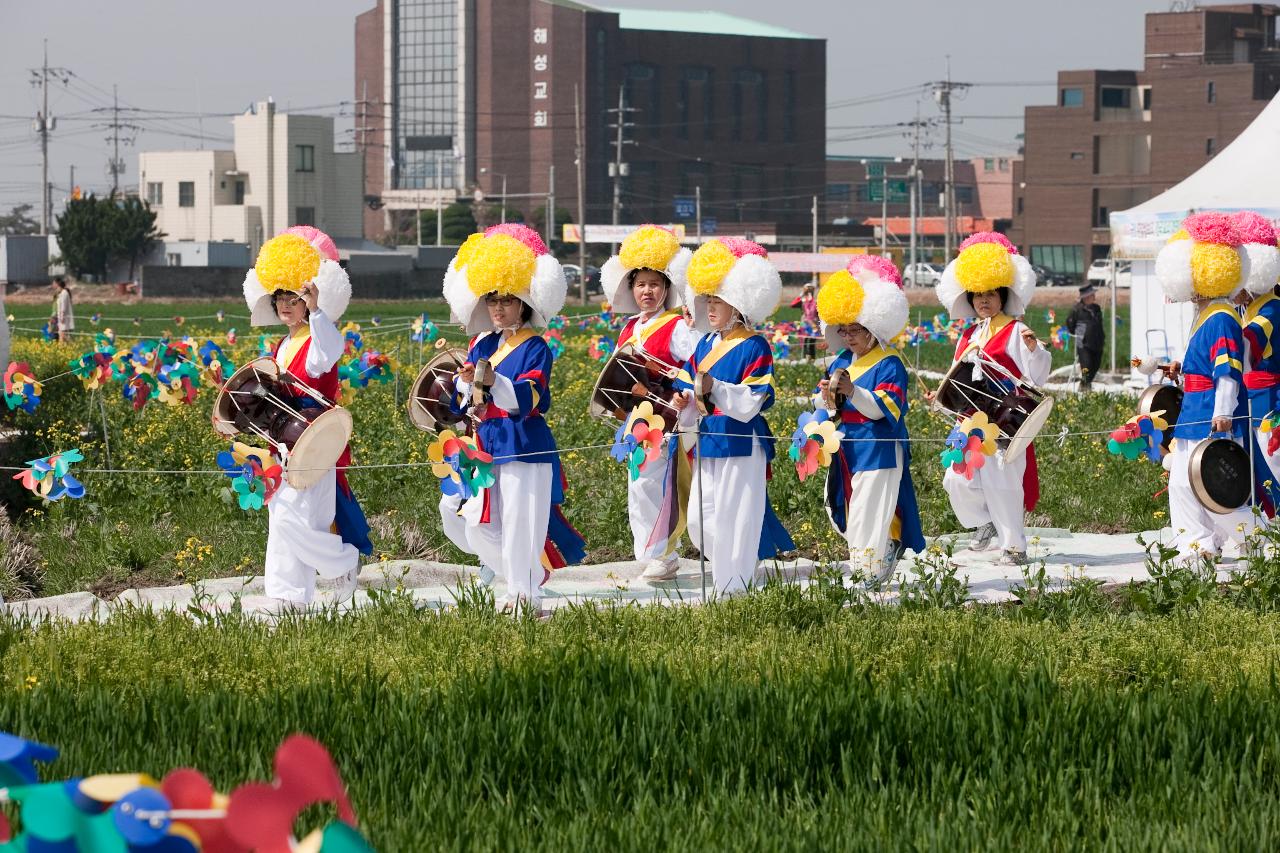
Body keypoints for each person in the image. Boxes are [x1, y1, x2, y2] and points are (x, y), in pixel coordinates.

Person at [439, 223, 585, 614]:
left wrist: (488, 380)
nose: (499, 308)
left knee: (523, 525)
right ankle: (527, 581)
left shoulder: (538, 347)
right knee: (476, 521)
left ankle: (524, 595)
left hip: (525, 443)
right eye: (492, 300)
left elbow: (530, 397)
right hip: (486, 442)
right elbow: (465, 400)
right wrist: (463, 386)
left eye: (507, 299)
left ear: (524, 302)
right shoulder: (480, 342)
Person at [241, 226, 373, 605]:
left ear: (310, 299)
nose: (286, 304)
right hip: (281, 438)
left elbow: (327, 354)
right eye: (280, 296)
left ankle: (342, 562)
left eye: (295, 296)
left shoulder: (321, 334)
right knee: (281, 516)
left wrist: (317, 311)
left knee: (297, 517)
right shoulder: (281, 343)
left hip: (315, 437)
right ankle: (288, 598)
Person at [671, 236, 794, 596]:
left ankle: (735, 589)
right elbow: (688, 383)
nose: (710, 307)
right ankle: (733, 577)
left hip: (741, 442)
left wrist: (714, 388)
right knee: (701, 520)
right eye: (708, 299)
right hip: (710, 440)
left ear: (738, 303)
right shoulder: (705, 343)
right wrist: (684, 399)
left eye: (718, 301)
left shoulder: (756, 345)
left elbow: (752, 401)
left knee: (737, 518)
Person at [1155, 212, 1273, 559]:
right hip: (1194, 408)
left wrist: (1223, 411)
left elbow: (1228, 370)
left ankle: (1261, 543)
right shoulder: (1209, 314)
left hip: (1210, 412)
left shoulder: (1221, 316)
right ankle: (1197, 546)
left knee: (1216, 485)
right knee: (1181, 481)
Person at [933, 232, 1050, 566]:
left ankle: (1014, 547)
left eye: (990, 294)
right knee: (955, 477)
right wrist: (941, 395)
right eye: (978, 295)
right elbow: (957, 375)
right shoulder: (969, 334)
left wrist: (1033, 349)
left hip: (1006, 421)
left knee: (1003, 483)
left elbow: (1037, 375)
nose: (983, 300)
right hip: (968, 421)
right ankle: (982, 523)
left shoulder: (1015, 330)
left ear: (1002, 296)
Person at [812, 255, 924, 582]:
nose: (848, 337)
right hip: (848, 449)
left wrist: (853, 391)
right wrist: (825, 394)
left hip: (880, 447)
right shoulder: (842, 360)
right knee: (849, 511)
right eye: (843, 330)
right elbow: (828, 403)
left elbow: (885, 408)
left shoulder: (890, 363)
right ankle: (871, 566)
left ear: (873, 326)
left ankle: (870, 574)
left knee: (868, 513)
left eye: (855, 330)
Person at [599, 224, 698, 581]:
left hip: (666, 417)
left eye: (654, 285)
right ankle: (650, 552)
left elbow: (696, 363)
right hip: (635, 419)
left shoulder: (675, 326)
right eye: (640, 284)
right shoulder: (628, 328)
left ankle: (665, 553)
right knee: (638, 484)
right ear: (631, 289)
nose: (647, 291)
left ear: (666, 289)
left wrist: (681, 392)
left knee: (657, 484)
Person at [1233, 210, 1280, 488]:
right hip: (1250, 397)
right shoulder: (1246, 308)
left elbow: (1246, 342)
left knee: (1271, 464)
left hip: (1268, 400)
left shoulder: (1273, 307)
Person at [1066, 283, 1104, 390]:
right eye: (1092, 295)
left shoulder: (1097, 308)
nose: (1094, 297)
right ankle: (1085, 385)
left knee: (1096, 365)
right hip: (1083, 343)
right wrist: (1080, 334)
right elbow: (1070, 324)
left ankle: (1086, 384)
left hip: (1098, 342)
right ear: (1086, 297)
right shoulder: (1077, 309)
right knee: (1086, 365)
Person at [790, 282, 820, 360]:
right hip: (805, 324)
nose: (809, 292)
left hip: (813, 324)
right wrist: (801, 294)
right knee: (804, 342)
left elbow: (819, 314)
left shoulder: (816, 302)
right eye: (808, 290)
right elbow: (792, 304)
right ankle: (804, 359)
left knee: (811, 343)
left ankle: (812, 359)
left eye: (811, 290)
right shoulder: (803, 301)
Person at [51, 277, 73, 343]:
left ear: (57, 284)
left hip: (63, 317)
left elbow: (63, 306)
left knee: (62, 334)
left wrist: (62, 316)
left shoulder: (64, 293)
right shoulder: (61, 293)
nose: (52, 285)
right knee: (61, 334)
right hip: (61, 317)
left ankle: (73, 345)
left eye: (54, 283)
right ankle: (62, 348)